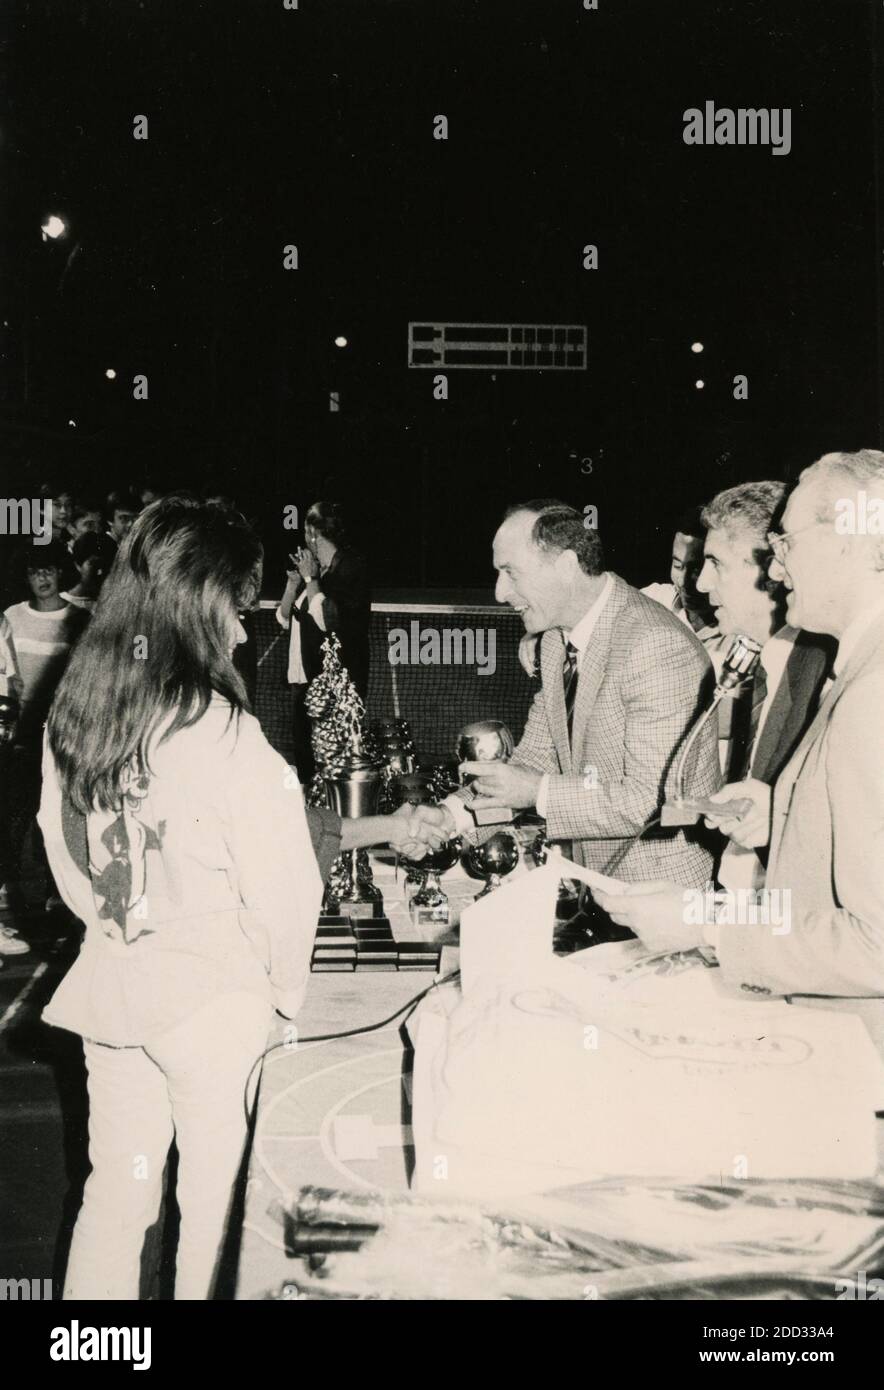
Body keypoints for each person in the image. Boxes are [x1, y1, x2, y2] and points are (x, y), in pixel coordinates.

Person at [37, 496, 441, 1301]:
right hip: (215, 1003)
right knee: (217, 1206)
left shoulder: (77, 711)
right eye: (238, 602)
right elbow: (284, 885)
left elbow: (60, 847)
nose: (243, 626)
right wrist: (283, 998)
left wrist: (121, 931)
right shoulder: (220, 729)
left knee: (116, 1193)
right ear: (202, 599)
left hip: (113, 987)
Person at [595, 450, 884, 1003]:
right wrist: (781, 812)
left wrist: (703, 927)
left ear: (846, 541)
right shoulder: (861, 666)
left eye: (786, 545)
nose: (776, 570)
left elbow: (876, 945)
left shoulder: (873, 692)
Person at [440, 499, 719, 892]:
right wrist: (450, 816)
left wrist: (537, 792)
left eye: (511, 573)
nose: (501, 593)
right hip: (596, 883)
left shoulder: (654, 644)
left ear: (567, 566)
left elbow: (651, 800)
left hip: (659, 895)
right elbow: (537, 755)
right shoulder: (556, 638)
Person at [276, 501, 371, 783]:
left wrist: (309, 578)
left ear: (313, 533)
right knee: (306, 754)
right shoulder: (321, 572)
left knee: (331, 759)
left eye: (307, 531)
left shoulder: (349, 568)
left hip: (335, 688)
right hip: (306, 681)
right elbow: (284, 619)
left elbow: (329, 620)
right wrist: (295, 583)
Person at [61, 533, 117, 611]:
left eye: (104, 565)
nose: (99, 572)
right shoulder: (58, 603)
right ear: (78, 565)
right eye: (94, 564)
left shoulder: (107, 607)